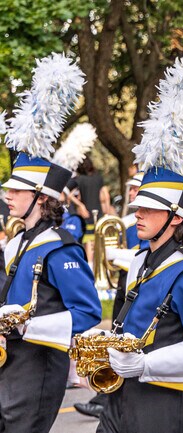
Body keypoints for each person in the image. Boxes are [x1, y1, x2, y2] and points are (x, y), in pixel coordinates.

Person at [95, 52, 183, 433]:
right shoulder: (139, 259)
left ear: (175, 218)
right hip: (121, 397)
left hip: (165, 404)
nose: (137, 214)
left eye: (148, 210)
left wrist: (145, 364)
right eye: (137, 207)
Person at [0, 153, 102, 432]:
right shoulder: (16, 243)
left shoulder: (60, 248)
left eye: (16, 190)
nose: (7, 195)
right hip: (11, 359)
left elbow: (88, 311)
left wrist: (25, 325)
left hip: (40, 364)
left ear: (41, 197)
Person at [73, 171, 148, 419]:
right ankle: (104, 395)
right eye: (131, 190)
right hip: (126, 281)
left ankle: (105, 399)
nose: (132, 194)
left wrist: (116, 256)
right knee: (114, 339)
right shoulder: (128, 218)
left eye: (136, 189)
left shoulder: (146, 219)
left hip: (139, 282)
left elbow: (147, 257)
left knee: (124, 342)